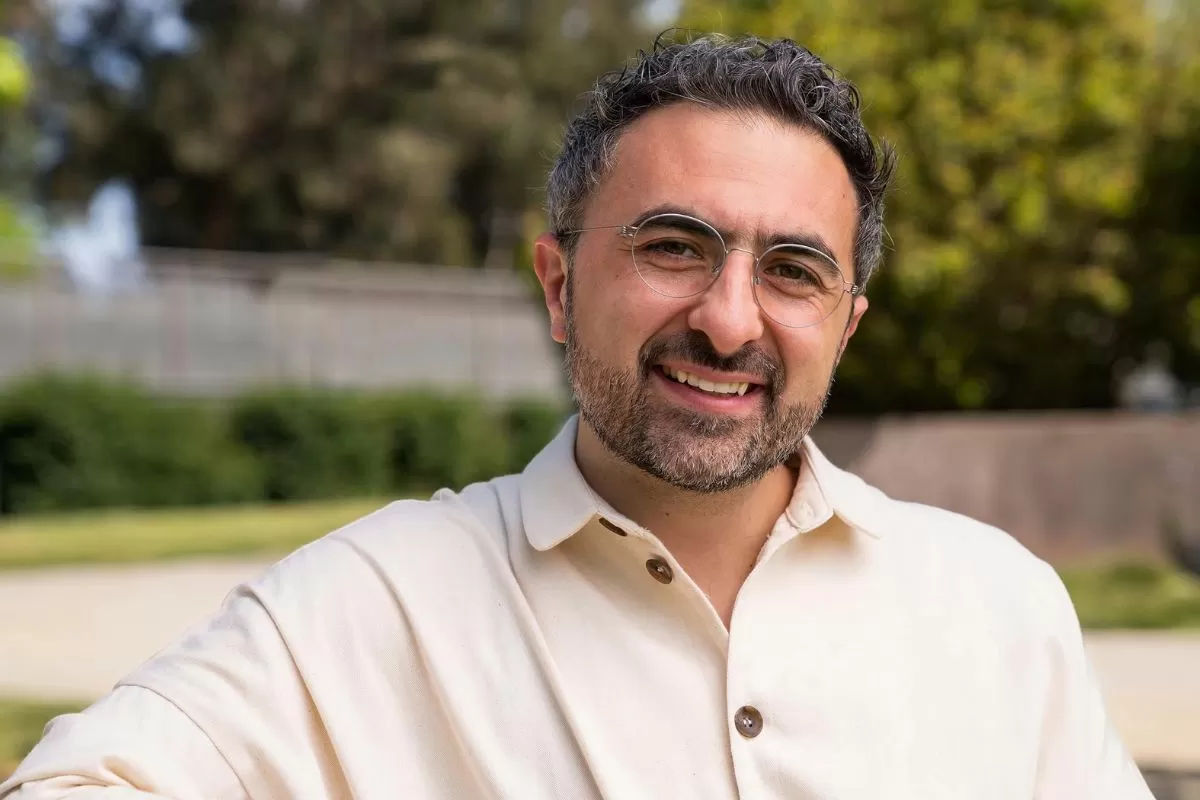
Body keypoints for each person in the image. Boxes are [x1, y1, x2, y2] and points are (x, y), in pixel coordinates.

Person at [2, 32, 1153, 800]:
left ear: (845, 326)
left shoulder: (998, 605)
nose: (729, 319)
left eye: (793, 270)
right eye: (674, 246)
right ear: (557, 284)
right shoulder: (375, 598)